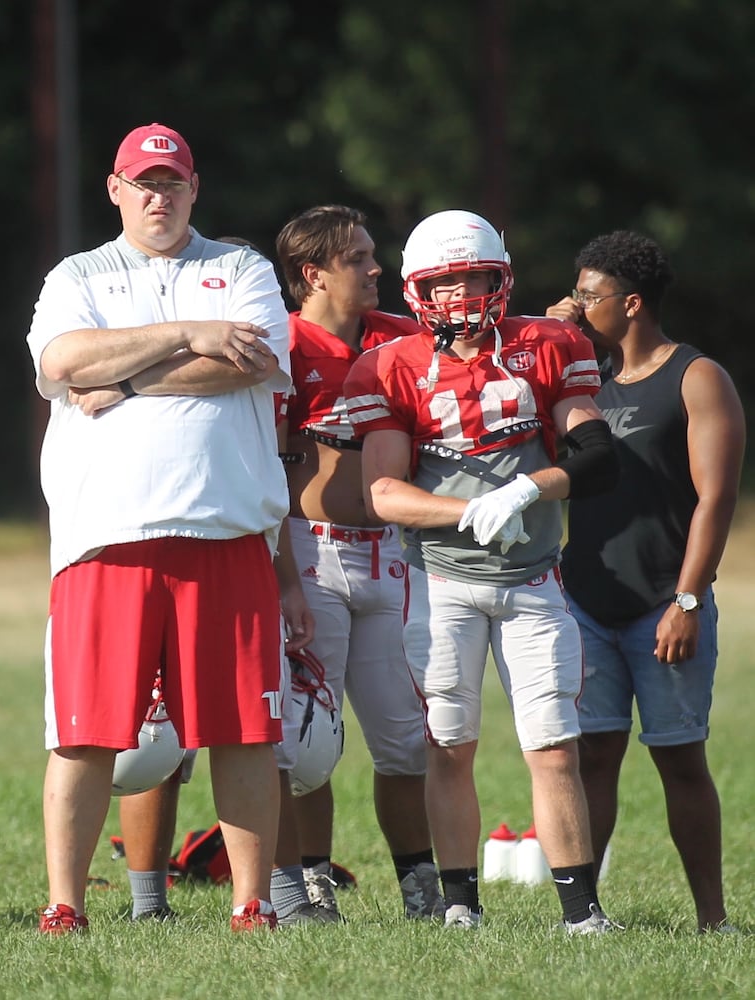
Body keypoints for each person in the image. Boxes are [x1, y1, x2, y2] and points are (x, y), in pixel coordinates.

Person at [28, 123, 291, 933]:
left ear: (193, 187)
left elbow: (251, 358)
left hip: (225, 527)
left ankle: (251, 901)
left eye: (170, 182)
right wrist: (185, 332)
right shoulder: (79, 274)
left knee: (243, 727)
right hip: (105, 534)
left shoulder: (239, 267)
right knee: (84, 732)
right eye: (142, 182)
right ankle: (65, 904)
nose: (157, 196)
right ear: (114, 189)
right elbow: (63, 363)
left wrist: (129, 378)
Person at [344, 209, 620, 933]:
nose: (462, 294)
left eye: (475, 277)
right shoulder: (387, 365)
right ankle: (460, 902)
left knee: (554, 746)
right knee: (448, 747)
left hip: (532, 580)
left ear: (502, 278)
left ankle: (580, 913)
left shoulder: (547, 344)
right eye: (446, 281)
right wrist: (463, 512)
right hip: (440, 582)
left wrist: (528, 489)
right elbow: (382, 493)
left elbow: (595, 458)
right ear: (416, 291)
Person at [546, 231, 743, 933]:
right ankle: (586, 916)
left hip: (663, 602)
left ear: (630, 303)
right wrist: (548, 337)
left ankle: (712, 919)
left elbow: (715, 498)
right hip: (585, 603)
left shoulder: (695, 376)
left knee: (678, 758)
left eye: (586, 293)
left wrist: (686, 600)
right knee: (592, 754)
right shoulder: (578, 381)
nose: (575, 302)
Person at [273, 205, 441, 921]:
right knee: (307, 741)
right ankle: (309, 883)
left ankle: (421, 887)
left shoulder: (400, 338)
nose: (376, 268)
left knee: (406, 740)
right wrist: (280, 576)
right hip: (311, 553)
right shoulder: (278, 343)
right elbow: (264, 470)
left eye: (374, 254)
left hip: (395, 557)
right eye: (358, 258)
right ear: (311, 274)